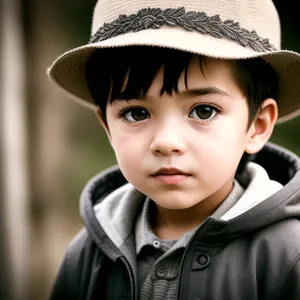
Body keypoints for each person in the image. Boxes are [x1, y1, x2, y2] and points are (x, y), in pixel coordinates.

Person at [47, 0, 300, 299]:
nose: (166, 142)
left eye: (204, 111)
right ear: (108, 128)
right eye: (136, 114)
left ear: (257, 125)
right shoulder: (88, 253)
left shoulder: (287, 254)